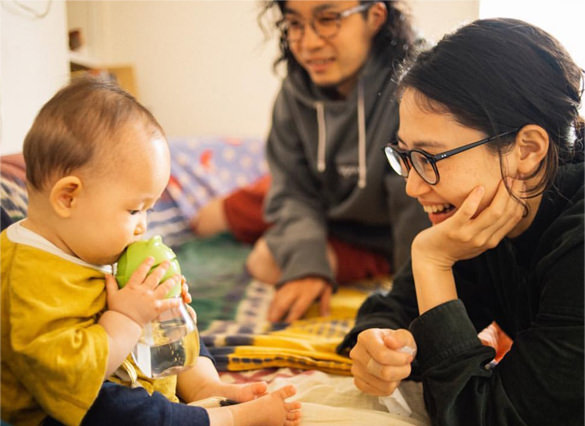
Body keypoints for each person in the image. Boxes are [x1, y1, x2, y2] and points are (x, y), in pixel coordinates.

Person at [0, 78, 301, 426]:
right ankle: (224, 419)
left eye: (149, 210)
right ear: (68, 197)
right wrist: (128, 318)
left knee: (174, 324)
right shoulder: (27, 274)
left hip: (118, 363)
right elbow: (69, 378)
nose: (143, 226)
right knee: (119, 412)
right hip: (57, 409)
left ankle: (206, 386)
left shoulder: (82, 243)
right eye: (134, 210)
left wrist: (160, 309)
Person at [338, 18, 584, 425]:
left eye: (430, 159)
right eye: (405, 157)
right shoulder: (492, 214)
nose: (413, 187)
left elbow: (485, 417)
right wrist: (379, 346)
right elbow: (395, 309)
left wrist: (432, 263)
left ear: (527, 150)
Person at [192, 0, 430, 323]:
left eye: (328, 19)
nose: (309, 43)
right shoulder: (294, 91)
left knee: (265, 261)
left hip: (383, 228)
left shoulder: (416, 85)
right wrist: (307, 264)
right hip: (324, 200)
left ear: (374, 17)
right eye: (295, 24)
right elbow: (292, 190)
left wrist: (411, 301)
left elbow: (416, 207)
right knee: (207, 220)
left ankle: (376, 260)